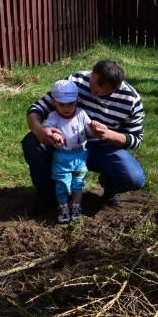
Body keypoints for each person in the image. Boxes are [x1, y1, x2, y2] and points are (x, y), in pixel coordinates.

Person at [22, 59, 146, 212]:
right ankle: (48, 196)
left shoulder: (131, 100)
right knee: (31, 142)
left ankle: (109, 188)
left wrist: (108, 134)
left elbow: (136, 139)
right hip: (65, 144)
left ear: (117, 87)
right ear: (92, 73)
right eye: (92, 85)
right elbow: (37, 108)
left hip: (103, 149)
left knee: (134, 178)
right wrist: (39, 129)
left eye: (102, 92)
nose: (94, 93)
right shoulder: (77, 80)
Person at [43, 79, 93, 223]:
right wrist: (54, 134)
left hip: (80, 156)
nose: (66, 108)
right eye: (61, 104)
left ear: (77, 100)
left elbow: (89, 129)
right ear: (54, 102)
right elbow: (48, 128)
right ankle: (63, 206)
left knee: (79, 180)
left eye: (70, 103)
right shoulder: (54, 116)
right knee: (62, 183)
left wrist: (94, 127)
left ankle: (76, 205)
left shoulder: (81, 114)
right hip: (62, 157)